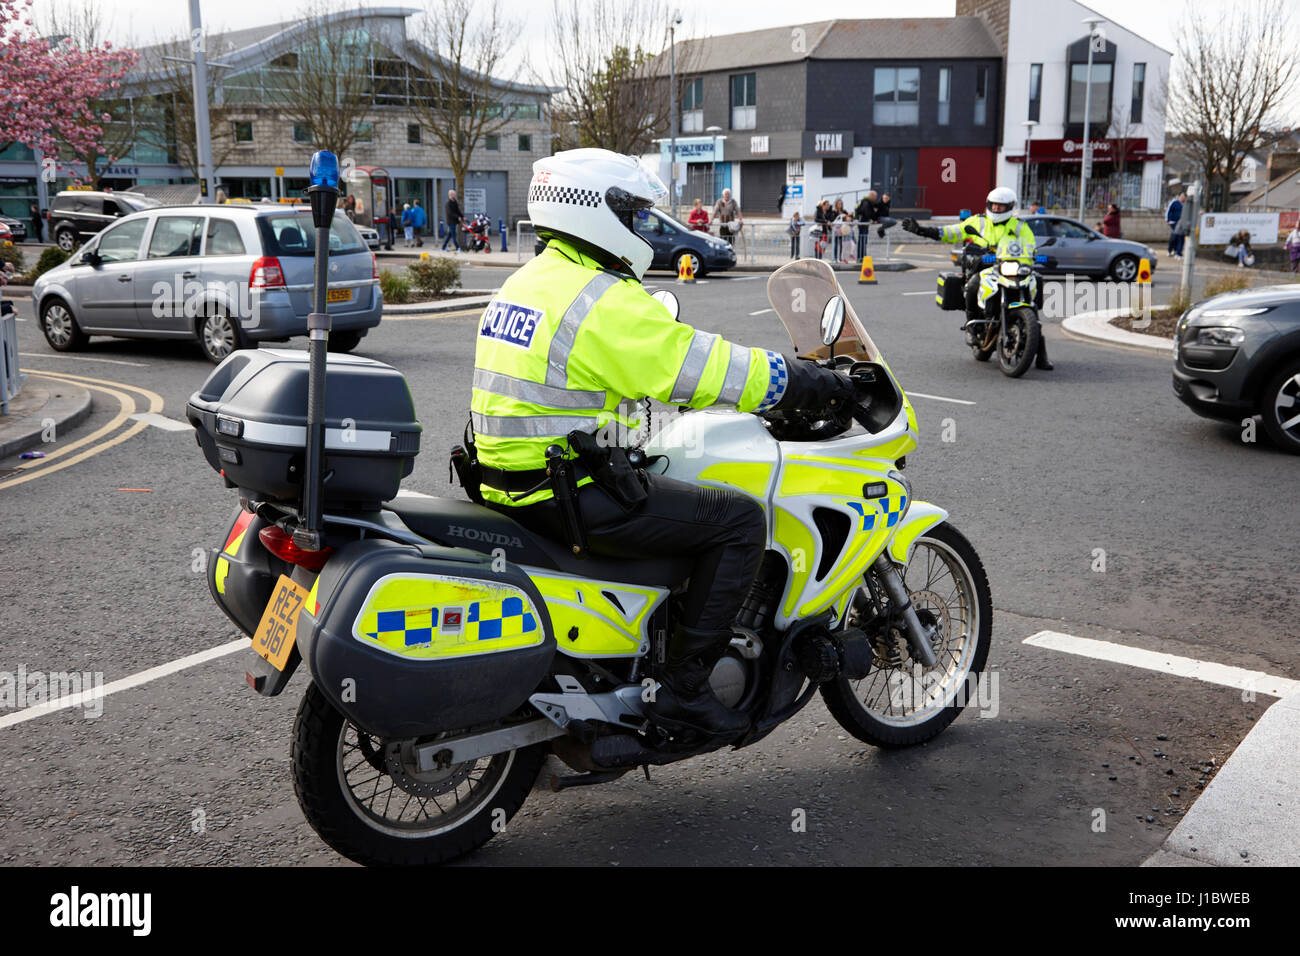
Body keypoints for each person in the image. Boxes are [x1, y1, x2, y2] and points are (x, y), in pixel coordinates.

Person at [471, 148, 853, 738]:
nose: (639, 225)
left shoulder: (526, 283)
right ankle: (683, 688)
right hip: (566, 493)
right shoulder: (598, 298)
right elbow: (702, 367)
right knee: (739, 521)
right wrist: (799, 380)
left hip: (511, 482)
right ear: (593, 211)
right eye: (630, 211)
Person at [902, 185, 1054, 371]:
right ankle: (973, 327)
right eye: (994, 205)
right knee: (973, 284)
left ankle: (1041, 353)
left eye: (1001, 206)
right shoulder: (978, 222)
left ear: (1010, 207)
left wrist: (1036, 258)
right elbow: (951, 232)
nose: (996, 209)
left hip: (1011, 267)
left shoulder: (1021, 226)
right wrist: (921, 230)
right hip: (985, 266)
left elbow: (1030, 247)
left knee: (1033, 286)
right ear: (989, 204)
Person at [1165, 192, 1185, 258]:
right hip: (1173, 222)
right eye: (1182, 196)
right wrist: (1168, 220)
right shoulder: (1174, 202)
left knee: (1180, 237)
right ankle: (1169, 250)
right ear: (1179, 196)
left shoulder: (1185, 204)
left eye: (1184, 197)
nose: (1183, 198)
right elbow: (1169, 210)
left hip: (1181, 223)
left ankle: (1177, 251)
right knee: (1174, 237)